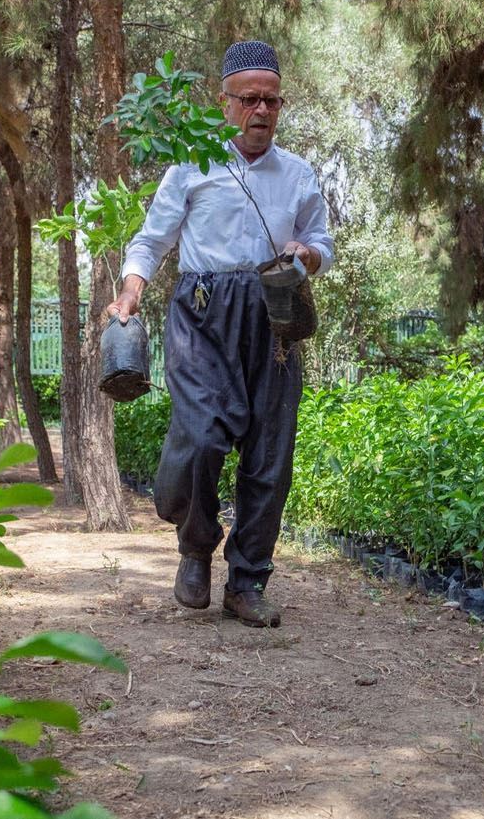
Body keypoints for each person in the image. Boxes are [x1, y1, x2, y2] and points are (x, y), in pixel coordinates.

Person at [105, 41, 333, 627]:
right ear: (225, 101)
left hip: (274, 320)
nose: (262, 110)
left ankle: (247, 583)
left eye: (272, 101)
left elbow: (323, 244)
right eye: (250, 99)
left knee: (268, 456)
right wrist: (131, 290)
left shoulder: (299, 175)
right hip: (202, 315)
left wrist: (306, 252)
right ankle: (194, 548)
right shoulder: (190, 164)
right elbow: (152, 240)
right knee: (203, 434)